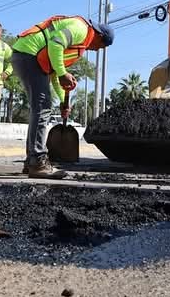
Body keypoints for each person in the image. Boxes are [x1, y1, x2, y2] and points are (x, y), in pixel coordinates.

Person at [11, 15, 113, 178]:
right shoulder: (81, 29)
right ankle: (37, 162)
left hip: (27, 55)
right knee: (42, 108)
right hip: (29, 54)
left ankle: (31, 161)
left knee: (39, 109)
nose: (96, 50)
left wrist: (62, 100)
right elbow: (55, 44)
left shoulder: (80, 39)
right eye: (100, 47)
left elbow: (53, 71)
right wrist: (62, 72)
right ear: (99, 36)